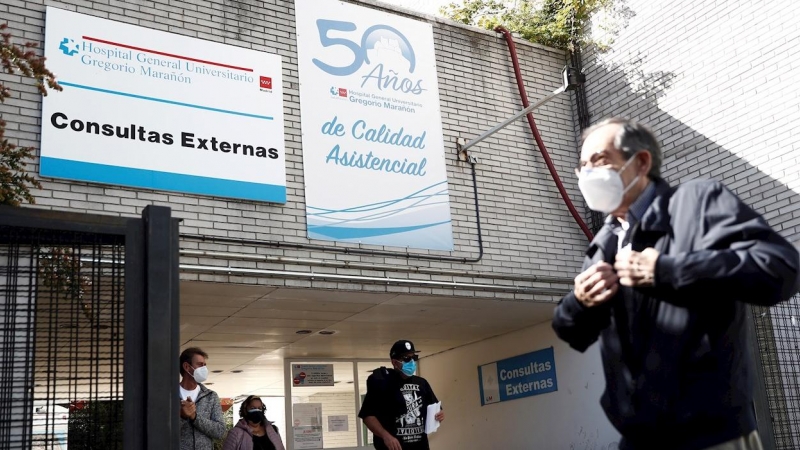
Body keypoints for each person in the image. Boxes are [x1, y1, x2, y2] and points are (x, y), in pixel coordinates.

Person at [553, 117, 800, 450]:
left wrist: (669, 270)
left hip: (713, 438)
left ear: (640, 163)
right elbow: (573, 332)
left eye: (599, 161)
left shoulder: (697, 202)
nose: (587, 175)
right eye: (582, 166)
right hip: (638, 439)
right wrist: (578, 302)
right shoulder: (603, 244)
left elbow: (782, 269)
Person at [358, 340, 445, 450]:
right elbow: (368, 415)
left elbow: (435, 409)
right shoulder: (381, 382)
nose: (412, 362)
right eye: (406, 358)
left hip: (419, 446)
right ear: (394, 362)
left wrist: (439, 415)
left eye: (414, 357)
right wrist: (386, 436)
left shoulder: (421, 383)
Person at [179, 347, 226, 450]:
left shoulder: (210, 396)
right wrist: (181, 416)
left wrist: (195, 417)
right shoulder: (169, 396)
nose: (204, 369)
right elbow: (161, 431)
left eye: (205, 365)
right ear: (187, 367)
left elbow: (220, 431)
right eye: (200, 365)